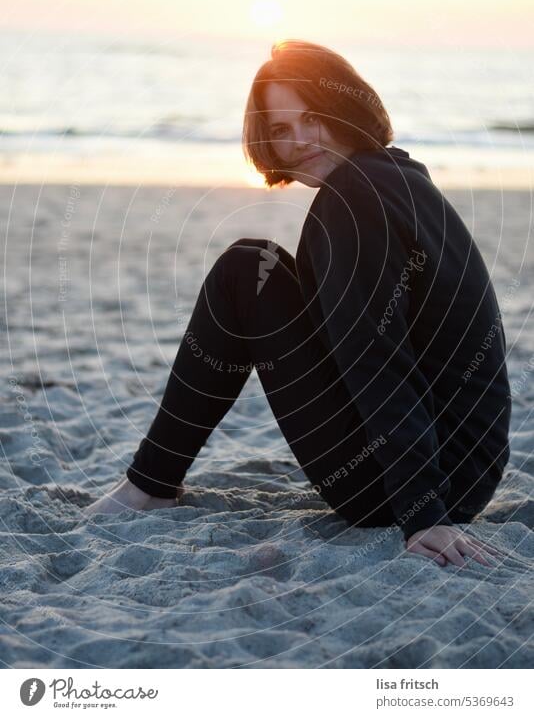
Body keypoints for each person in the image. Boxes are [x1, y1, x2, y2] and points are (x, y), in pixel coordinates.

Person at [86, 40, 509, 569]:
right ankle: (154, 481)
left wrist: (425, 513)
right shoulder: (397, 177)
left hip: (397, 490)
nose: (302, 140)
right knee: (261, 268)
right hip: (467, 472)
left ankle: (150, 485)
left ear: (346, 107)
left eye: (313, 117)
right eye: (282, 131)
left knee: (246, 270)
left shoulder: (354, 197)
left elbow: (378, 359)